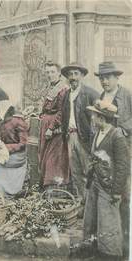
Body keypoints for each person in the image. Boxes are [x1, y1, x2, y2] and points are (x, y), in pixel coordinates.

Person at [83, 100, 130, 260]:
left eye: (94, 116)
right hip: (96, 182)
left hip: (109, 187)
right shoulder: (97, 133)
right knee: (93, 219)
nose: (92, 119)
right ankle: (95, 251)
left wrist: (117, 191)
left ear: (102, 119)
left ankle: (111, 255)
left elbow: (123, 166)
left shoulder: (117, 136)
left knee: (108, 222)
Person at [94, 61, 132, 255]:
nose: (104, 81)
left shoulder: (126, 95)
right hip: (106, 154)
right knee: (109, 196)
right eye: (101, 78)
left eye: (108, 77)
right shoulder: (101, 96)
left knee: (123, 194)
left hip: (124, 150)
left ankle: (126, 245)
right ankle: (111, 242)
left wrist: (123, 128)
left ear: (117, 78)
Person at [61, 62, 99, 202]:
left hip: (85, 138)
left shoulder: (90, 94)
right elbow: (64, 116)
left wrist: (94, 139)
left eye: (76, 74)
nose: (73, 77)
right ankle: (83, 202)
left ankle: (92, 205)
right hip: (70, 137)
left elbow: (98, 119)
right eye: (70, 74)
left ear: (82, 76)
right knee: (76, 172)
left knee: (89, 171)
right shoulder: (66, 95)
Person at [38, 62, 70, 189]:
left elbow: (62, 111)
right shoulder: (51, 87)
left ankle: (54, 188)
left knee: (53, 157)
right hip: (45, 123)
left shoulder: (63, 89)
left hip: (54, 126)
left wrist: (51, 127)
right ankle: (45, 186)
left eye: (52, 72)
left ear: (58, 73)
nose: (49, 75)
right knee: (44, 154)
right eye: (47, 72)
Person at [0, 102, 29, 197]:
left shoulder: (19, 122)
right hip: (4, 152)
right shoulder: (3, 122)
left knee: (1, 163)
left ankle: (9, 192)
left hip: (18, 154)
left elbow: (23, 143)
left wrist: (7, 147)